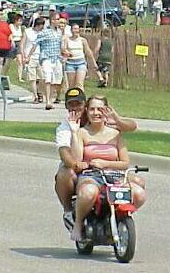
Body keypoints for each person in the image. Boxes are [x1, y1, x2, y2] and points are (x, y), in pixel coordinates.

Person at [54, 88, 138, 232]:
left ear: (84, 105)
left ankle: (119, 216)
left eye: (78, 104)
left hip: (109, 171)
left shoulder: (103, 119)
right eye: (71, 105)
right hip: (83, 168)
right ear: (67, 107)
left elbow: (132, 127)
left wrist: (117, 120)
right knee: (65, 173)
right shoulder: (66, 127)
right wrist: (76, 165)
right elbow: (65, 153)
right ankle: (70, 213)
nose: (75, 108)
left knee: (137, 183)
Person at [69, 95, 147, 241]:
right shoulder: (82, 133)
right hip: (91, 175)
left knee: (139, 193)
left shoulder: (115, 133)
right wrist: (74, 133)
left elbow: (125, 163)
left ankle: (119, 218)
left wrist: (105, 164)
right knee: (88, 192)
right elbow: (77, 159)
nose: (96, 113)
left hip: (114, 174)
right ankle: (78, 225)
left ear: (106, 111)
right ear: (87, 111)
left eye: (100, 109)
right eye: (92, 109)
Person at [26, 13, 63, 110]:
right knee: (48, 78)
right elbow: (35, 44)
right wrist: (28, 56)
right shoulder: (44, 32)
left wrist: (64, 54)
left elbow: (60, 46)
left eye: (58, 19)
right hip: (46, 58)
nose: (58, 21)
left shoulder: (59, 32)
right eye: (56, 19)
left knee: (56, 80)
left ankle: (50, 99)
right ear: (52, 21)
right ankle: (47, 102)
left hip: (57, 58)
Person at [61, 24, 98, 90]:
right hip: (70, 63)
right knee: (71, 85)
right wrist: (67, 53)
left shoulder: (83, 40)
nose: (76, 31)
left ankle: (81, 99)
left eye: (77, 29)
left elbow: (88, 51)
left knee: (79, 84)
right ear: (71, 30)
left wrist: (94, 63)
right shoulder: (67, 39)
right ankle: (71, 99)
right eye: (74, 29)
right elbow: (63, 49)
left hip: (81, 63)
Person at [21, 17, 45, 103]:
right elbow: (22, 43)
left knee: (43, 77)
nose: (41, 28)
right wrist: (24, 56)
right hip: (30, 57)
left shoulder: (43, 33)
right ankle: (35, 96)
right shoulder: (28, 31)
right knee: (32, 78)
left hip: (41, 57)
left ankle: (39, 92)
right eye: (40, 26)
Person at [4, 13, 24, 80]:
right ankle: (4, 74)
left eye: (21, 21)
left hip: (18, 43)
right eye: (19, 21)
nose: (20, 22)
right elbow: (9, 35)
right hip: (12, 43)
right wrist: (12, 41)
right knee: (8, 61)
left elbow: (21, 36)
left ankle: (20, 77)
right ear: (15, 20)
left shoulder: (21, 28)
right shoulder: (11, 26)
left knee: (20, 61)